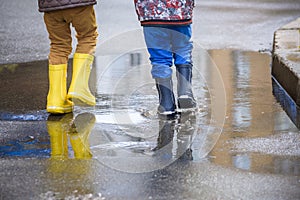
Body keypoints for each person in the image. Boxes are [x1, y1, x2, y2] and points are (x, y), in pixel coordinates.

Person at [134, 0, 197, 118]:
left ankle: (166, 103)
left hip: (151, 13)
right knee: (183, 50)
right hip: (180, 10)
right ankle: (185, 92)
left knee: (159, 58)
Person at [38, 0, 98, 114]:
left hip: (50, 6)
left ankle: (55, 100)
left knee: (58, 45)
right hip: (79, 4)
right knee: (87, 37)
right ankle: (79, 87)